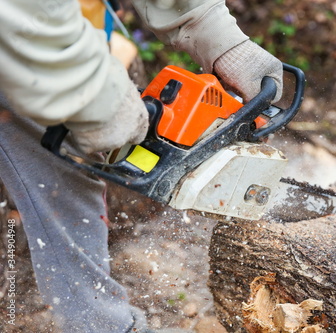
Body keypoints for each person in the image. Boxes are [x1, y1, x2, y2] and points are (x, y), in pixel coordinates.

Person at [0, 1, 283, 332]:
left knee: (64, 176)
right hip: (29, 37)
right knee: (57, 163)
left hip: (50, 36)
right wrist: (94, 98)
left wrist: (215, 34)